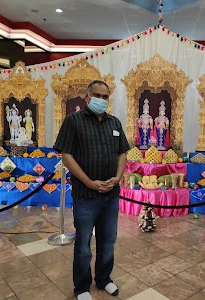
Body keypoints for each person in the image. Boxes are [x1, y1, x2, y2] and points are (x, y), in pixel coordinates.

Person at [54, 80, 130, 300]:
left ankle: (104, 279)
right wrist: (88, 182)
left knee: (108, 241)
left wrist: (117, 178)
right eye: (97, 95)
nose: (101, 100)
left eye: (105, 96)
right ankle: (82, 287)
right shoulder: (74, 121)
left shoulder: (114, 123)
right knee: (84, 244)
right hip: (86, 196)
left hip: (111, 195)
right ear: (87, 97)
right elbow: (66, 155)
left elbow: (122, 152)